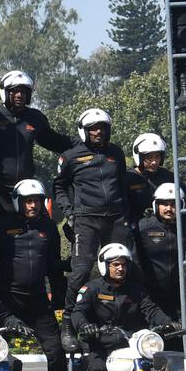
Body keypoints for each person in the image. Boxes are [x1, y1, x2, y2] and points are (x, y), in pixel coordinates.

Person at [71, 243, 182, 371]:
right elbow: (78, 312)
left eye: (123, 264)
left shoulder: (136, 290)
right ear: (105, 265)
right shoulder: (92, 288)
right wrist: (86, 326)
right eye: (115, 264)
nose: (120, 268)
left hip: (130, 344)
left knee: (162, 367)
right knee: (96, 367)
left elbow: (151, 309)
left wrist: (167, 322)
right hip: (100, 344)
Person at [0, 179, 70, 371]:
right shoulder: (2, 225)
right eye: (28, 201)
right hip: (6, 301)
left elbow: (53, 267)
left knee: (56, 353)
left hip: (38, 302)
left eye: (37, 201)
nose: (33, 205)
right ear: (18, 202)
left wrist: (60, 298)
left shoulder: (50, 227)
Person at [53, 108, 133, 347]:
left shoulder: (116, 153)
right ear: (84, 131)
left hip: (116, 219)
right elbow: (58, 188)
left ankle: (125, 320)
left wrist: (126, 215)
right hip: (86, 220)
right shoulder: (70, 156)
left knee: (124, 268)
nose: (98, 132)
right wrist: (69, 213)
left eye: (102, 128)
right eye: (93, 129)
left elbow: (122, 185)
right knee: (80, 271)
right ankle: (68, 322)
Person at [0, 70, 74, 216]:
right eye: (15, 91)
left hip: (26, 192)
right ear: (5, 92)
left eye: (23, 91)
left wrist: (85, 141)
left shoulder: (35, 117)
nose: (19, 95)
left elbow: (56, 142)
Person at [134, 183, 186, 321]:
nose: (169, 209)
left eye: (173, 204)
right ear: (156, 205)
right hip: (149, 295)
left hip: (176, 293)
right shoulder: (143, 227)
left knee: (177, 337)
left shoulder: (184, 226)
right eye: (164, 204)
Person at [125, 133, 186, 223]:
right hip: (137, 229)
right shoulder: (128, 178)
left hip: (166, 230)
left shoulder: (168, 176)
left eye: (157, 156)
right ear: (139, 156)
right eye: (149, 157)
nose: (154, 162)